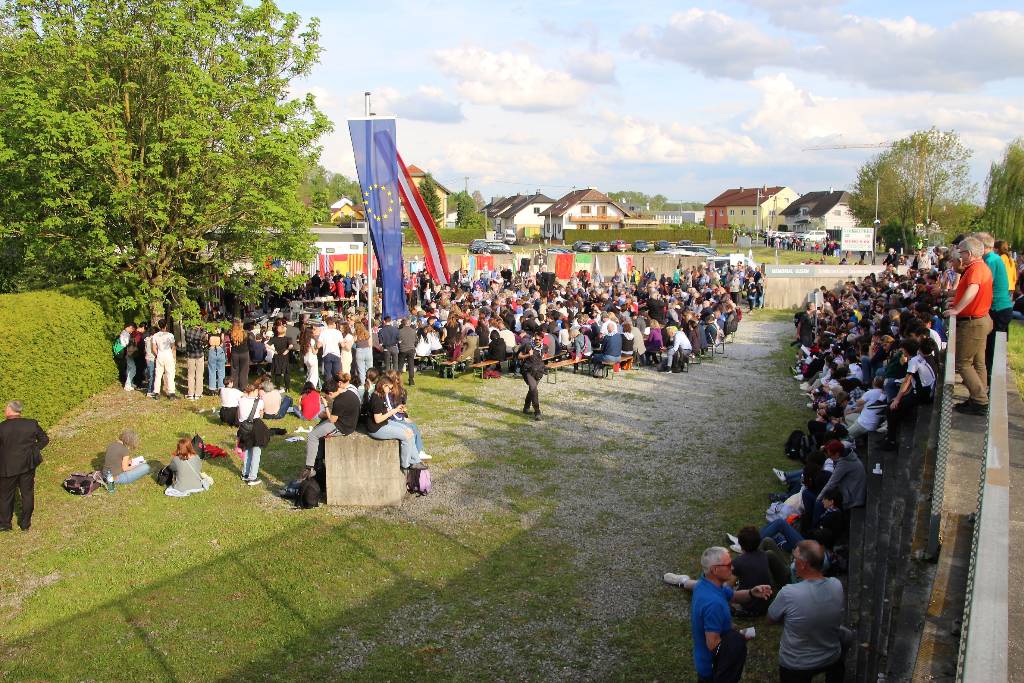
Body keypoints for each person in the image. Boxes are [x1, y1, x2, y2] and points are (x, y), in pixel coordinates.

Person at [663, 546, 772, 683]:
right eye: (728, 565)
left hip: (704, 660)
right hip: (713, 668)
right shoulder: (713, 604)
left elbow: (733, 596)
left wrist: (751, 592)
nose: (732, 568)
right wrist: (737, 640)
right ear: (715, 570)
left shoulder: (706, 583)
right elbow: (713, 644)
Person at [767, 540, 846, 682]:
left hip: (796, 663)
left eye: (795, 558)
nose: (793, 561)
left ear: (803, 564)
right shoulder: (836, 585)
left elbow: (771, 619)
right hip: (830, 655)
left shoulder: (788, 593)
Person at [943, 237, 993, 416]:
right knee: (978, 362)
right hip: (980, 320)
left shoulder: (976, 268)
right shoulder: (979, 267)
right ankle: (978, 396)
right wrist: (954, 299)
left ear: (969, 254)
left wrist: (956, 309)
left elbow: (973, 289)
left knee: (963, 362)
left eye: (961, 252)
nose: (960, 256)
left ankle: (980, 401)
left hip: (973, 323)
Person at [0, 400, 49, 532]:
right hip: (27, 465)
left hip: (6, 467)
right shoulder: (31, 424)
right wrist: (33, 450)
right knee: (27, 494)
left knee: (5, 496)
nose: (4, 410)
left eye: (5, 408)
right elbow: (45, 439)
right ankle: (25, 523)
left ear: (10, 410)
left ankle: (5, 524)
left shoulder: (2, 427)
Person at [302, 374, 362, 477]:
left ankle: (310, 468)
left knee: (312, 435)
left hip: (343, 427)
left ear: (330, 393)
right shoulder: (347, 393)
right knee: (318, 429)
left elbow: (332, 419)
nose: (326, 397)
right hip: (347, 421)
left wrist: (325, 405)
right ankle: (318, 460)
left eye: (326, 396)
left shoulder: (339, 401)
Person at [365, 376, 424, 470]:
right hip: (376, 428)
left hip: (384, 423)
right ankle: (405, 465)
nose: (390, 390)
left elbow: (383, 410)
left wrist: (395, 410)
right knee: (406, 436)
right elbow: (377, 420)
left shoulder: (380, 395)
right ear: (384, 386)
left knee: (409, 431)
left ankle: (416, 461)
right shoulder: (376, 399)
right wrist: (393, 412)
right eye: (390, 388)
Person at [977, 232, 1012, 384]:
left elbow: (984, 285)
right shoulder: (993, 259)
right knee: (991, 347)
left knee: (992, 348)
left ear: (982, 246)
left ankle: (991, 382)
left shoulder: (990, 260)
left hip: (998, 309)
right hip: (999, 307)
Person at [236, 383, 265, 485]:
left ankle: (245, 474)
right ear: (253, 391)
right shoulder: (259, 402)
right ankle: (252, 477)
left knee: (247, 451)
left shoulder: (240, 400)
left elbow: (239, 416)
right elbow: (261, 415)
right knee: (256, 453)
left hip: (244, 428)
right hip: (255, 427)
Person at [518, 330, 546, 420]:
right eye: (535, 339)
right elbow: (519, 356)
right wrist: (527, 355)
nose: (536, 341)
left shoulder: (545, 347)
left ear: (542, 340)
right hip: (527, 370)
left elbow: (543, 356)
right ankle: (537, 412)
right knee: (534, 389)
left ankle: (526, 408)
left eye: (539, 340)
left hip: (538, 371)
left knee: (532, 390)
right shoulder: (528, 346)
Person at [148, 319, 177, 399]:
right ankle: (171, 392)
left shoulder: (155, 336)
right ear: (166, 325)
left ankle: (156, 392)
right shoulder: (170, 335)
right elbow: (173, 347)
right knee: (170, 374)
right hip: (168, 354)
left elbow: (153, 348)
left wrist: (158, 354)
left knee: (158, 374)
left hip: (160, 354)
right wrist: (173, 356)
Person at [184, 323, 208, 401]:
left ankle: (190, 394)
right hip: (199, 354)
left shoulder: (187, 331)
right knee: (199, 374)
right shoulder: (201, 333)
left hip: (190, 355)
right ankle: (198, 393)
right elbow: (204, 343)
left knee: (190, 375)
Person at [268, 323, 294, 391]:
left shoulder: (274, 338)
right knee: (286, 373)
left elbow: (266, 345)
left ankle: (278, 387)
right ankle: (287, 388)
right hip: (284, 357)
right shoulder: (288, 338)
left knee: (278, 372)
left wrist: (273, 350)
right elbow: (291, 346)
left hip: (277, 356)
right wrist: (287, 350)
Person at [318, 317, 343, 382]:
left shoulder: (323, 332)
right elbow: (342, 344)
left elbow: (318, 345)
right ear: (333, 324)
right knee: (337, 373)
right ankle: (337, 386)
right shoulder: (338, 332)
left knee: (328, 372)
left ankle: (328, 387)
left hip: (327, 353)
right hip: (336, 353)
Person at [229, 318, 250, 388]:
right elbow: (249, 343)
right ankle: (243, 387)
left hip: (235, 353)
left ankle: (234, 387)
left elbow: (232, 343)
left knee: (234, 371)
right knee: (244, 371)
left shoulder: (231, 334)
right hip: (244, 353)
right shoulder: (245, 333)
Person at [398, 318, 418, 385]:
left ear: (403, 324)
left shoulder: (400, 331)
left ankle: (398, 380)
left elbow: (398, 341)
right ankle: (411, 380)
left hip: (402, 349)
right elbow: (416, 341)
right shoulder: (413, 331)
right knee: (411, 365)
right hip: (411, 349)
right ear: (409, 324)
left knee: (400, 365)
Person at [207, 327, 227, 393]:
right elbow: (223, 341)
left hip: (212, 350)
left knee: (212, 370)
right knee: (221, 370)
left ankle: (212, 388)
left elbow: (207, 341)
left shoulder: (209, 332)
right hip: (220, 350)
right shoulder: (221, 332)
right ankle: (221, 387)